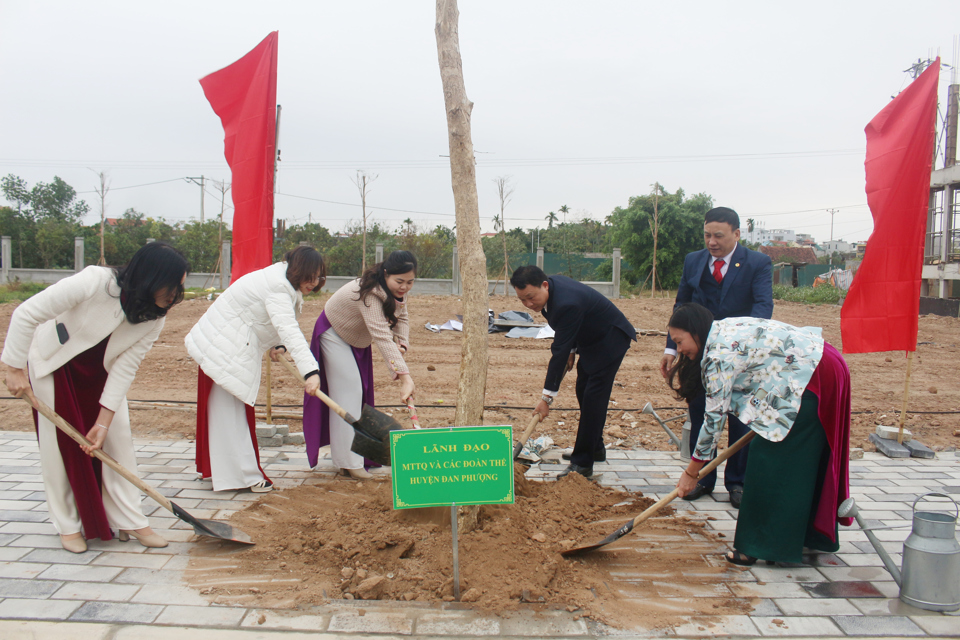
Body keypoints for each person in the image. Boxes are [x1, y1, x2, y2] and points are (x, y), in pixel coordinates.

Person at [1, 242, 189, 553]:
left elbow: (126, 367)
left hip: (99, 374)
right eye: (172, 286)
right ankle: (67, 525)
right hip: (56, 363)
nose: (174, 295)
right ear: (151, 277)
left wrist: (103, 423)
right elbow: (26, 314)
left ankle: (131, 520)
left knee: (118, 442)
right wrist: (14, 368)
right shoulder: (93, 283)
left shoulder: (155, 316)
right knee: (59, 447)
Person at [668, 303, 852, 565]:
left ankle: (756, 546)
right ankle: (797, 537)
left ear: (695, 331)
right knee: (792, 460)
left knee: (768, 461)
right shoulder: (720, 330)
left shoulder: (719, 355)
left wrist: (691, 473)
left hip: (812, 376)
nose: (679, 351)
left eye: (679, 341)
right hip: (818, 365)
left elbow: (713, 422)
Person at [659, 206, 773, 508]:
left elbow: (763, 307)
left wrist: (743, 344)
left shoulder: (758, 263)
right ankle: (703, 478)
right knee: (701, 414)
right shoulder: (693, 261)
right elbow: (681, 304)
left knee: (739, 419)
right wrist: (672, 346)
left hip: (741, 356)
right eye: (707, 235)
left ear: (736, 234)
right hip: (697, 354)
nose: (712, 241)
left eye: (719, 236)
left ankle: (738, 483)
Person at [186, 246, 323, 492]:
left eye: (318, 277)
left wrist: (277, 344)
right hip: (225, 347)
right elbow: (288, 328)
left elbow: (268, 318)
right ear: (298, 270)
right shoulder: (278, 286)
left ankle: (227, 473)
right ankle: (241, 477)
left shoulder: (280, 279)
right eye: (309, 276)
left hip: (226, 343)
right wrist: (310, 372)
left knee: (230, 411)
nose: (313, 282)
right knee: (229, 414)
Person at [510, 265, 636, 479]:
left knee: (593, 398)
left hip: (610, 340)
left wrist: (546, 399)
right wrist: (572, 348)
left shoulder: (566, 302)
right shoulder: (554, 291)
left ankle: (583, 463)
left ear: (544, 285)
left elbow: (558, 353)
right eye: (522, 300)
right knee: (583, 390)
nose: (529, 304)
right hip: (590, 340)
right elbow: (569, 329)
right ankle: (595, 448)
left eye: (531, 297)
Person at [303, 250, 417, 478]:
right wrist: (405, 377)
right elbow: (382, 335)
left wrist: (402, 344)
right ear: (386, 274)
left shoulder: (397, 292)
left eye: (410, 282)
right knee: (349, 392)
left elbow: (401, 317)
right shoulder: (370, 293)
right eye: (400, 281)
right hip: (333, 335)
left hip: (356, 340)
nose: (404, 287)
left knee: (356, 394)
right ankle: (350, 463)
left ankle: (349, 458)